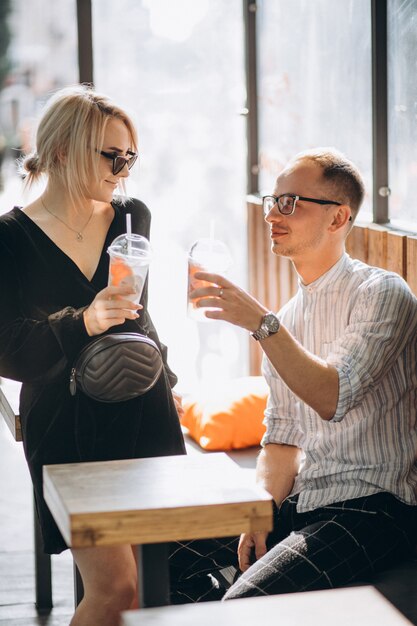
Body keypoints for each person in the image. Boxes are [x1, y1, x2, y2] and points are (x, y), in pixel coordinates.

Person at [169, 147, 417, 603]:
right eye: (273, 201)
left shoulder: (382, 293)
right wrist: (259, 510)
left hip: (376, 508)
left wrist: (262, 325)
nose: (272, 215)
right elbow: (281, 439)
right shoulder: (287, 317)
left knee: (245, 604)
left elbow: (333, 395)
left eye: (290, 202)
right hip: (304, 501)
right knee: (165, 560)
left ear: (338, 218)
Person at [0, 84, 186, 625]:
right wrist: (83, 321)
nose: (123, 167)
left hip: (141, 406)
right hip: (65, 419)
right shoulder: (10, 238)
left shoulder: (131, 217)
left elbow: (138, 312)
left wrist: (169, 382)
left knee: (158, 586)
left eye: (130, 155)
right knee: (115, 589)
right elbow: (9, 350)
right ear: (61, 152)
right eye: (110, 154)